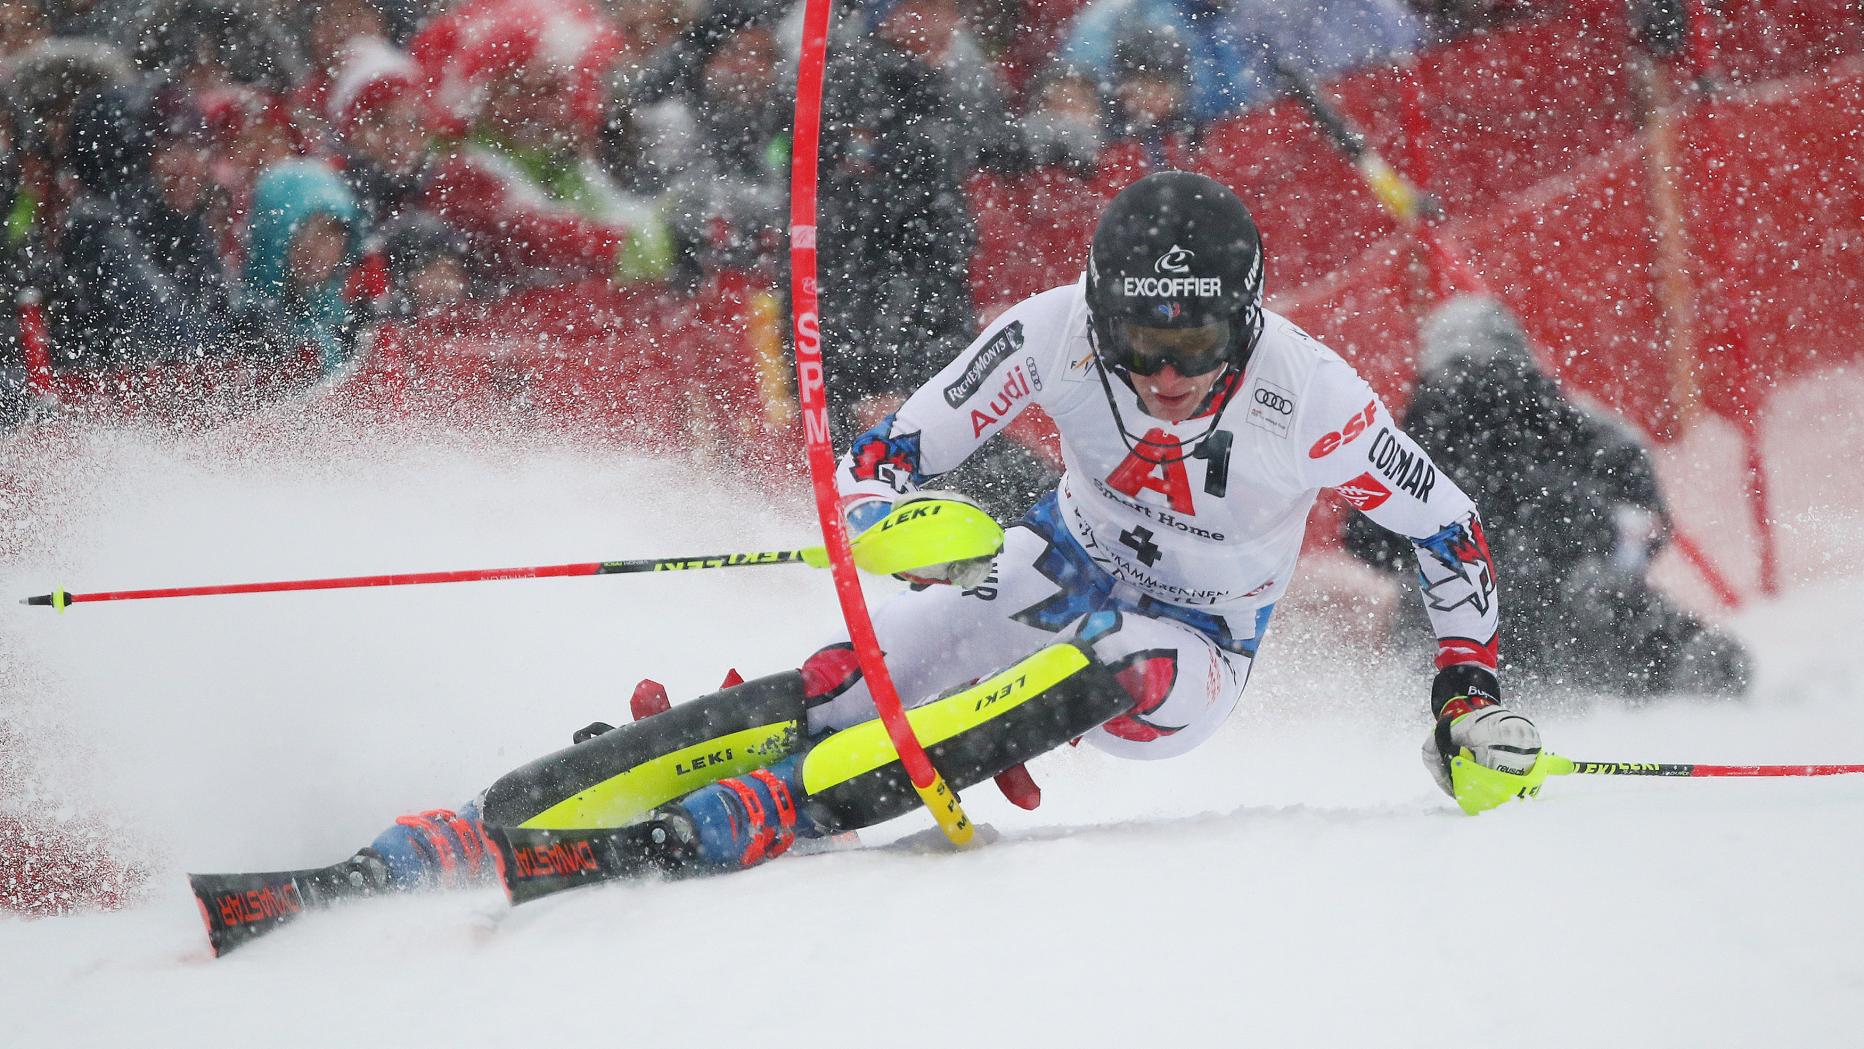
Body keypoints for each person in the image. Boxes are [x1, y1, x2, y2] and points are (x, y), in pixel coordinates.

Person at [210, 172, 1538, 919]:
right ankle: (475, 820)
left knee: (1119, 667)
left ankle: (802, 803)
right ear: (1101, 311)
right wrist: (904, 522)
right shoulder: (1049, 329)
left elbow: (1453, 531)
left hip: (1192, 645)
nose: (1172, 374)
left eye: (1197, 347)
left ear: (1247, 322)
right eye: (1145, 341)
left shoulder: (1315, 395)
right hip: (1056, 564)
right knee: (847, 681)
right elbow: (878, 466)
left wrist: (1466, 695)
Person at [1344, 294, 1750, 697]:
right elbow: (1643, 524)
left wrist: (1437, 556)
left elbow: (1364, 536)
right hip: (1581, 625)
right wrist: (1588, 539)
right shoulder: (1584, 430)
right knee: (1613, 603)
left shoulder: (1410, 443)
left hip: (1459, 635)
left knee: (1430, 606)